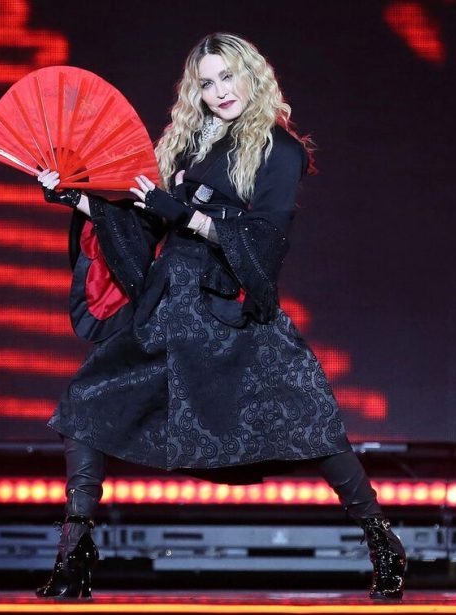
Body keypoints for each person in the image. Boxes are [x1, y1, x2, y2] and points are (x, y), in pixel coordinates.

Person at [34, 33, 406, 600]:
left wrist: (187, 215)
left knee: (312, 425)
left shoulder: (279, 150)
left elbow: (268, 238)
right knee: (85, 407)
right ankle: (75, 553)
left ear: (252, 74)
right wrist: (76, 198)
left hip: (230, 305)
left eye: (228, 76)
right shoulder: (182, 146)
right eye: (207, 83)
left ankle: (382, 540)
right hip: (166, 308)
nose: (219, 91)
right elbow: (139, 227)